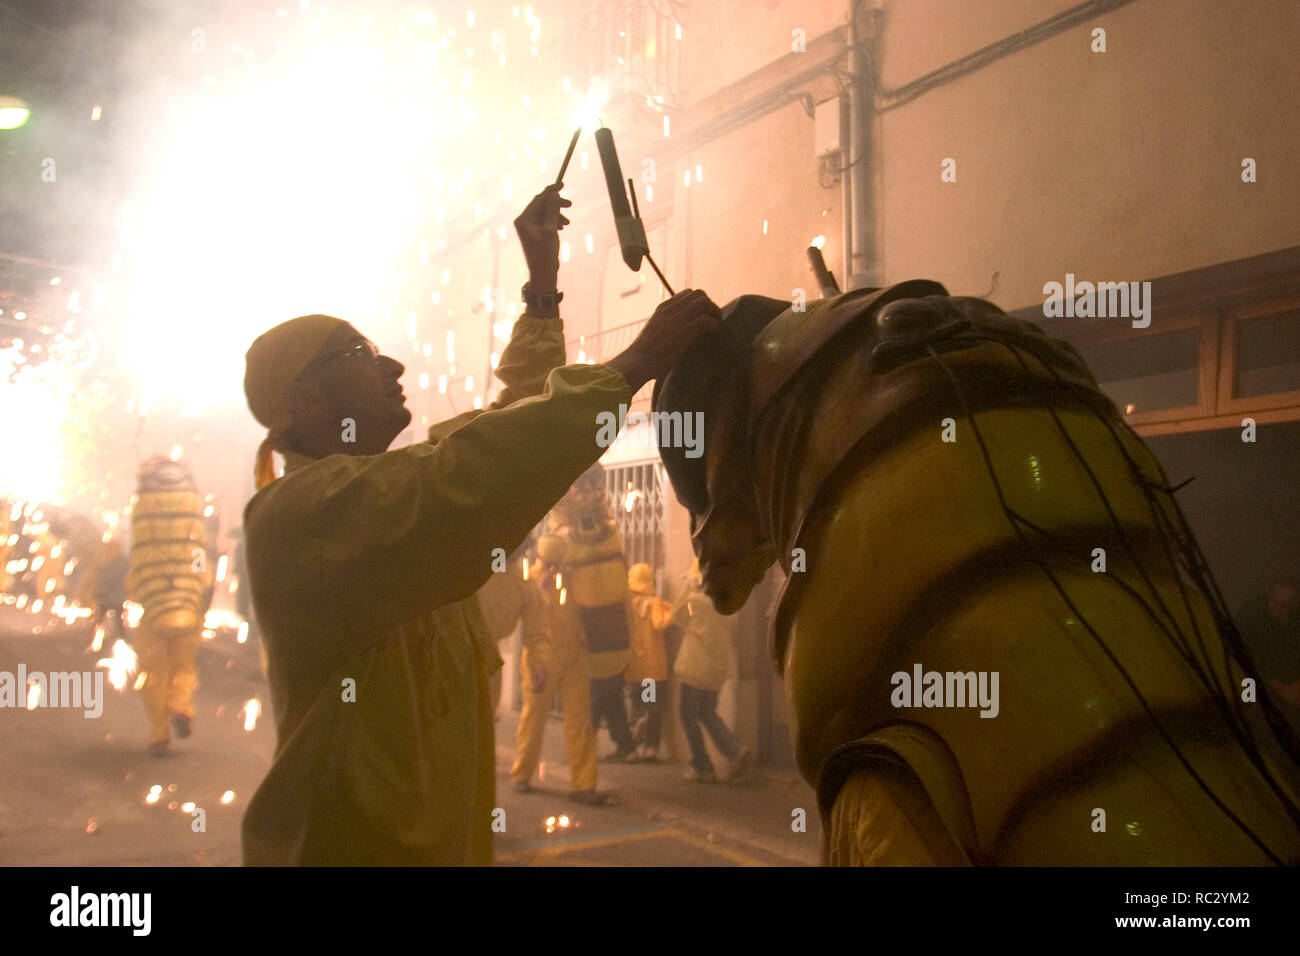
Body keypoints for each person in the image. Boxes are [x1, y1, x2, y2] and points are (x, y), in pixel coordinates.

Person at [238, 185, 722, 864]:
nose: (392, 363)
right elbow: (476, 472)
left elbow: (507, 426)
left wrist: (543, 286)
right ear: (307, 401)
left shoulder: (388, 498)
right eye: (358, 353)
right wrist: (634, 366)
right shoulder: (301, 518)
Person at [509, 541, 608, 804]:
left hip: (574, 656)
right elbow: (527, 618)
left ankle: (584, 784)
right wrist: (541, 589)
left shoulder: (572, 576)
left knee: (579, 721)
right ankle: (521, 774)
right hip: (542, 658)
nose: (556, 567)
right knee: (534, 718)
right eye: (552, 562)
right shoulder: (530, 579)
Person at [127, 456, 214, 755]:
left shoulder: (141, 505)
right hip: (188, 601)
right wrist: (202, 589)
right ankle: (180, 706)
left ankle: (158, 733)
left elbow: (138, 554)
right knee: (184, 667)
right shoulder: (193, 503)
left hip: (152, 604)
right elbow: (200, 552)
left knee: (152, 674)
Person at [673, 562, 752, 782]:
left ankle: (702, 766)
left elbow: (677, 615)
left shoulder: (695, 602)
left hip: (694, 669)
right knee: (707, 713)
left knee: (688, 715)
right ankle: (735, 750)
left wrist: (688, 587)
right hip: (716, 671)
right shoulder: (726, 607)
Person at [625, 562, 677, 761]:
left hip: (634, 666)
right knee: (652, 707)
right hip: (652, 669)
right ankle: (651, 747)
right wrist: (669, 608)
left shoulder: (628, 603)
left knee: (637, 704)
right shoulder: (653, 602)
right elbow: (660, 623)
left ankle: (637, 740)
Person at [1237, 579, 1300, 713]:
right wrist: (1279, 687)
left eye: (1282, 605)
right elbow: (1248, 657)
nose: (1273, 607)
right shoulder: (1251, 619)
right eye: (1273, 600)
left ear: (1294, 606)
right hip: (1257, 683)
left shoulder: (1295, 623)